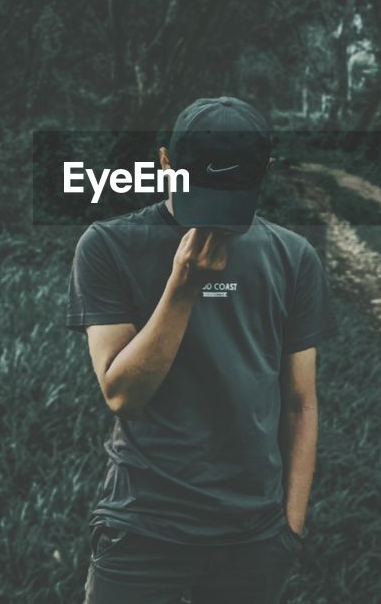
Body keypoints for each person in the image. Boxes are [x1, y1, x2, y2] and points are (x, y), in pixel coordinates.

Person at [65, 96, 338, 603]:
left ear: (265, 173)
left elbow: (301, 403)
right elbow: (123, 395)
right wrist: (183, 287)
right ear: (165, 164)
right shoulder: (108, 246)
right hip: (145, 523)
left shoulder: (293, 257)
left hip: (254, 534)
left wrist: (290, 528)